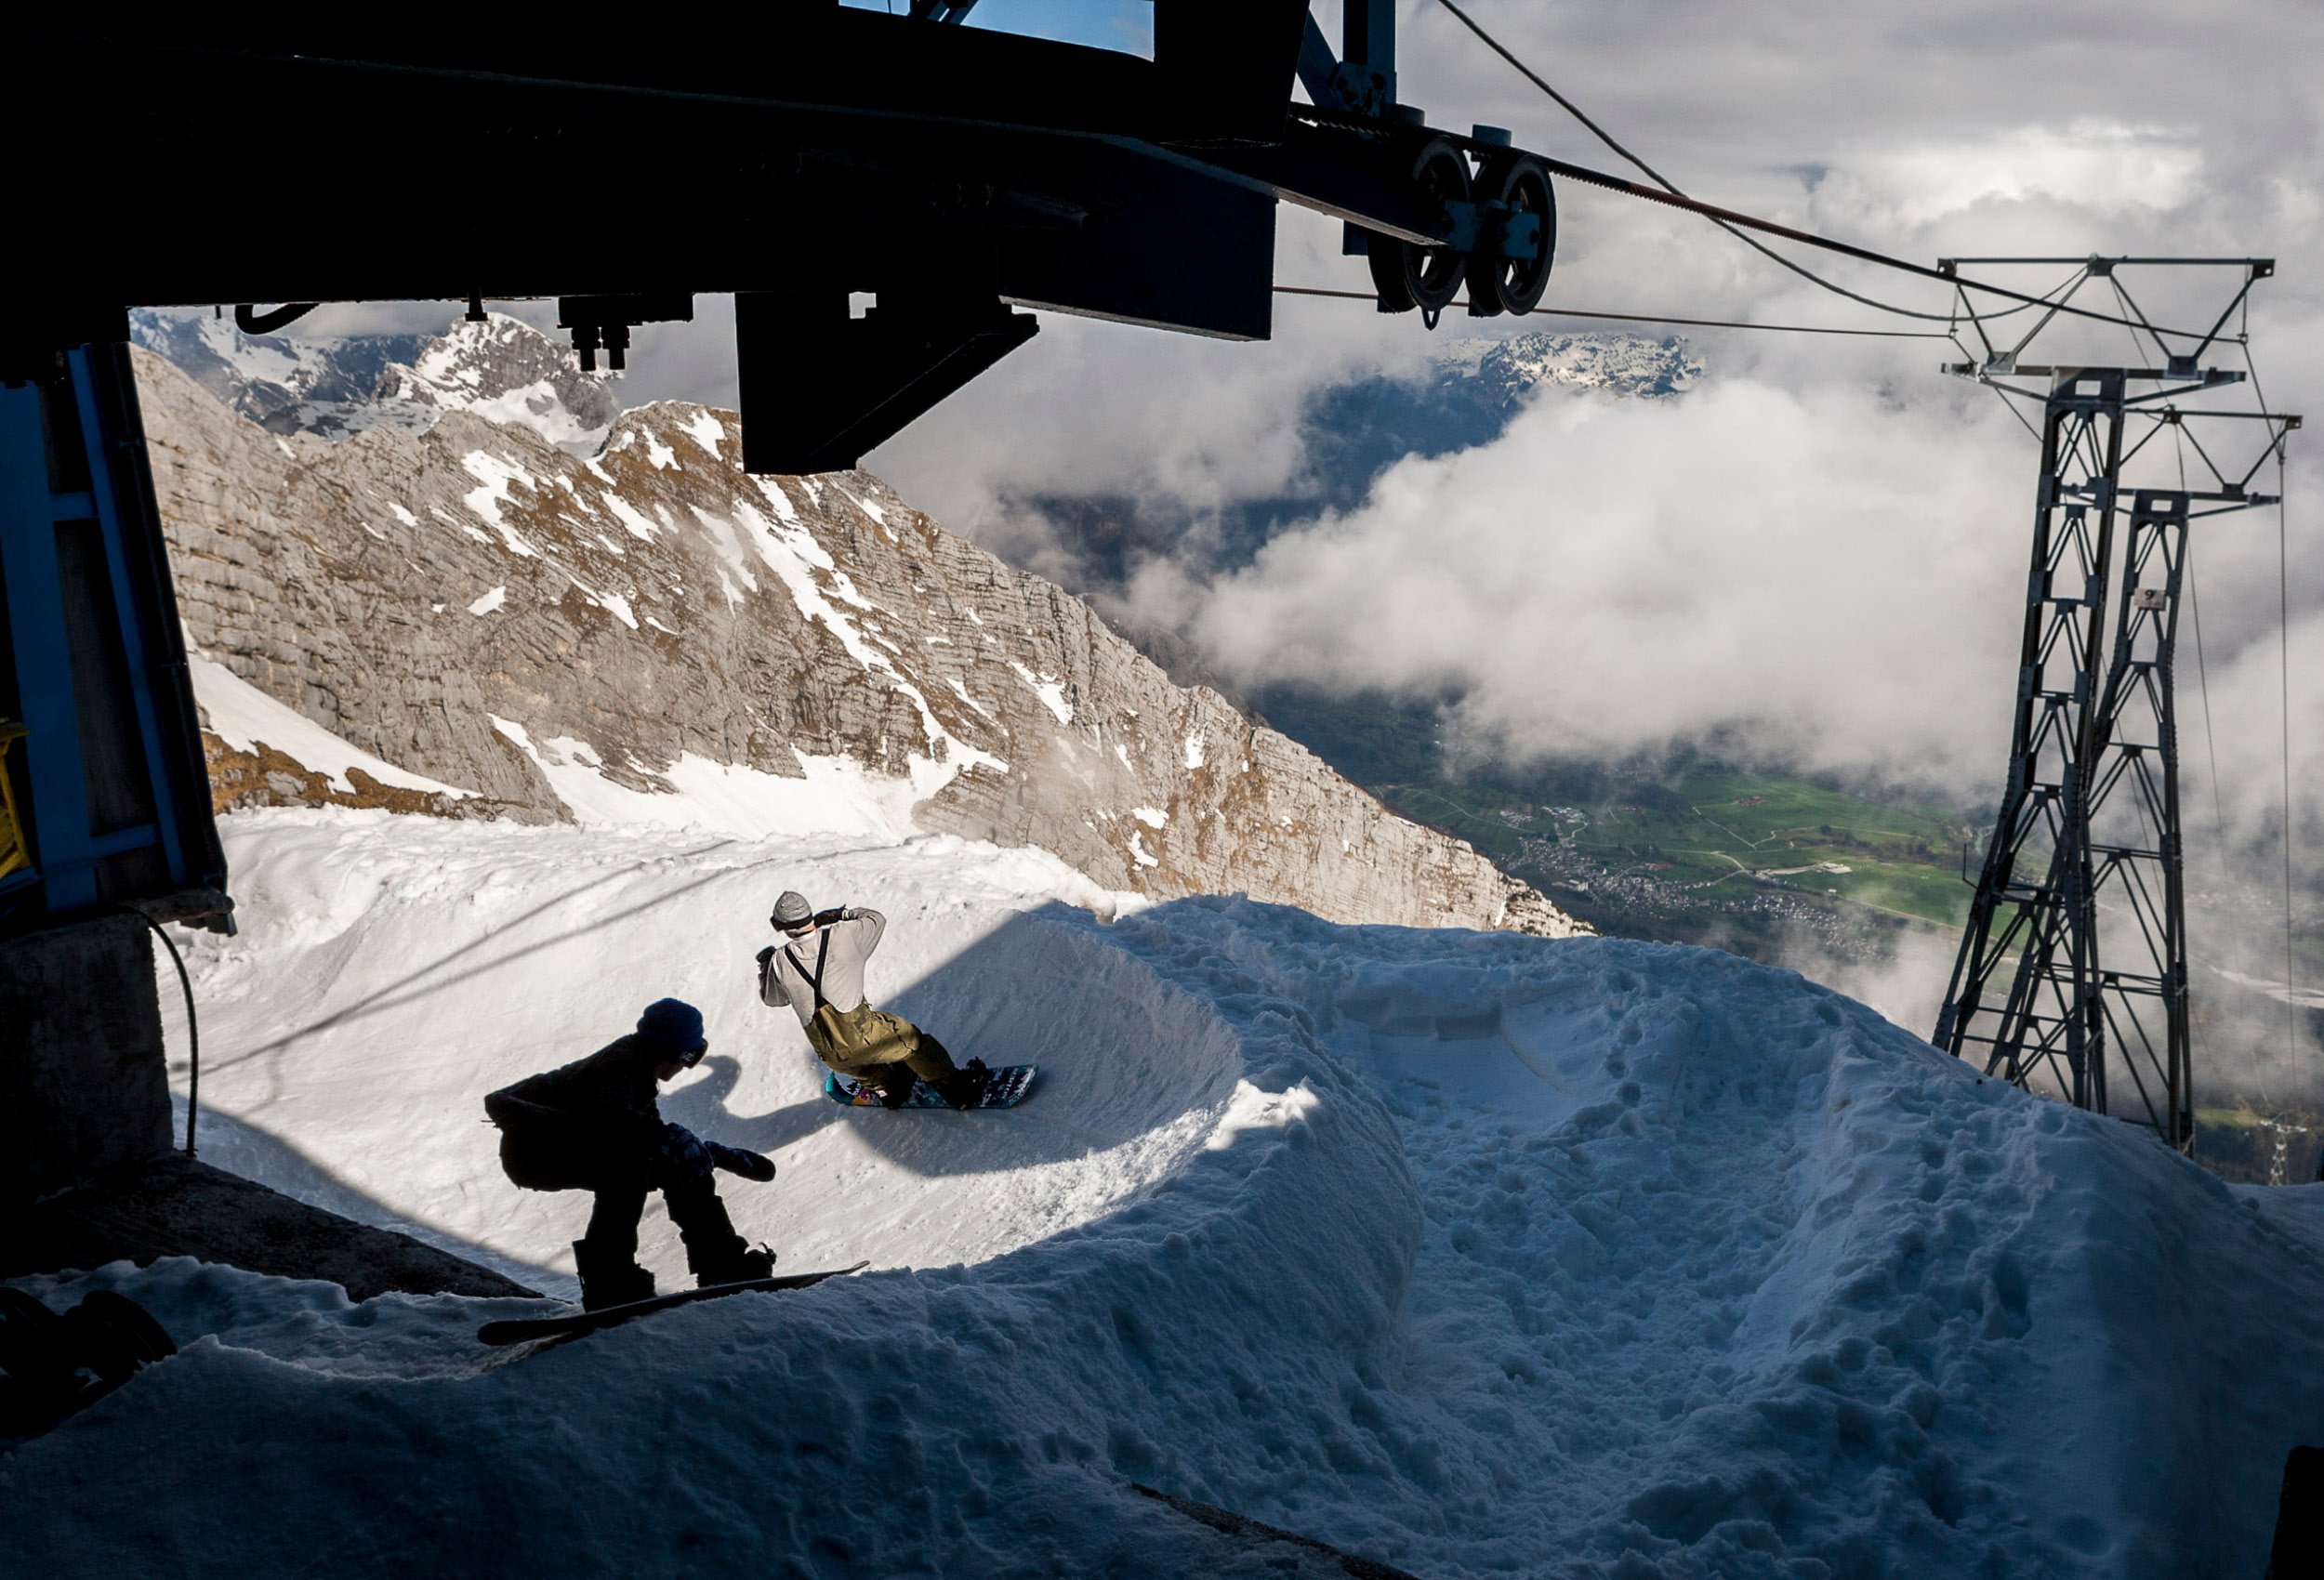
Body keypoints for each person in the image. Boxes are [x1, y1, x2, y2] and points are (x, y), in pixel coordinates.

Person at [484, 998, 777, 1310]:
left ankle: (719, 1263)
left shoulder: (638, 1066)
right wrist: (670, 1140)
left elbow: (648, 1134)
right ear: (673, 1052)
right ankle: (611, 1279)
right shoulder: (619, 1068)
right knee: (629, 1165)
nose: (685, 1067)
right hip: (535, 1153)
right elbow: (617, 1118)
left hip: (564, 1146)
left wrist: (713, 1153)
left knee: (673, 1163)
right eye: (689, 1057)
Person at [756, 890, 988, 1109]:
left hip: (830, 1054)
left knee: (866, 1070)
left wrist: (765, 968)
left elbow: (772, 999)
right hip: (866, 1038)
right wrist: (839, 915)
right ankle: (961, 1094)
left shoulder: (779, 961)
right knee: (916, 1045)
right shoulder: (843, 935)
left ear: (782, 928)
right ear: (811, 918)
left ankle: (890, 1093)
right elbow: (877, 918)